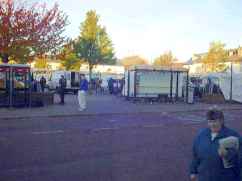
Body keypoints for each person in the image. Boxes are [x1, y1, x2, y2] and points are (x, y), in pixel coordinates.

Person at [190, 108, 242, 181]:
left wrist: (227, 154)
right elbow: (195, 155)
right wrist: (193, 171)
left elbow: (239, 158)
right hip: (204, 177)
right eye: (209, 121)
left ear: (221, 121)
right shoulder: (201, 135)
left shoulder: (233, 136)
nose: (212, 124)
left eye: (214, 121)